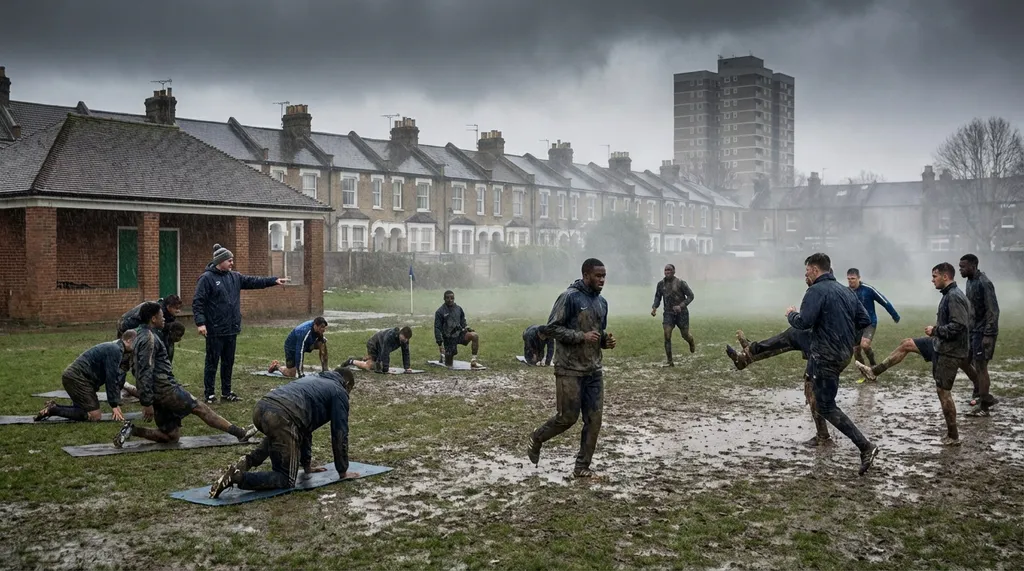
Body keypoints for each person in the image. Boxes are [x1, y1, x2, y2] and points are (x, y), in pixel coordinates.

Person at [113, 302, 257, 448]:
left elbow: (124, 364)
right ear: (153, 319)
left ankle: (133, 430)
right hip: (165, 389)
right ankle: (240, 433)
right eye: (161, 316)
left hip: (156, 392)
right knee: (200, 408)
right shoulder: (149, 338)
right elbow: (144, 372)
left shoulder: (133, 335)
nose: (164, 319)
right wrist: (147, 402)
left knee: (171, 436)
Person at [787, 253, 879, 475]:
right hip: (842, 355)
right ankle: (822, 436)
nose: (805, 275)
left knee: (826, 405)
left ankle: (866, 447)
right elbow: (864, 320)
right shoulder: (845, 291)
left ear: (816, 270)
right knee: (816, 393)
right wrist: (844, 336)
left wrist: (791, 315)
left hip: (825, 356)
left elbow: (804, 322)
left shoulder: (815, 291)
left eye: (807, 271)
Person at [527, 258, 617, 479]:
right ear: (586, 275)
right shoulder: (569, 297)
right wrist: (581, 336)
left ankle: (582, 467)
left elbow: (597, 332)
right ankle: (537, 438)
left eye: (604, 275)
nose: (602, 279)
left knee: (594, 420)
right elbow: (551, 328)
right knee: (567, 418)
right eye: (598, 275)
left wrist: (604, 341)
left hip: (593, 369)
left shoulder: (602, 302)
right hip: (569, 368)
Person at [209, 369, 359, 498]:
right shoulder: (339, 392)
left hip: (261, 407)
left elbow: (306, 428)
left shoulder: (315, 378)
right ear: (346, 385)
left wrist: (307, 465)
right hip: (281, 416)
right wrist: (342, 471)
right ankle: (237, 477)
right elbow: (340, 433)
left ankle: (248, 461)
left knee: (280, 436)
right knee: (286, 479)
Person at [193, 244, 288, 403]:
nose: (232, 263)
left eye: (232, 260)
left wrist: (273, 280)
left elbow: (253, 281)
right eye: (229, 260)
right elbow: (198, 302)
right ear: (220, 261)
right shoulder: (206, 278)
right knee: (212, 363)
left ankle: (226, 392)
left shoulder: (234, 277)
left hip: (231, 329)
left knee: (228, 362)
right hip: (215, 329)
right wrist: (201, 323)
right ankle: (209, 394)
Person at [34, 331, 137, 423]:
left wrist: (116, 400)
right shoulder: (115, 350)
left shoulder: (118, 350)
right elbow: (111, 378)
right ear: (128, 340)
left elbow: (118, 378)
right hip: (77, 379)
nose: (137, 347)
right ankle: (53, 410)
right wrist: (114, 405)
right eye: (136, 343)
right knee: (95, 416)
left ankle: (53, 408)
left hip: (79, 378)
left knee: (81, 410)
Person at [960, 254, 1000, 415]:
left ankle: (984, 406)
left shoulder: (985, 283)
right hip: (972, 330)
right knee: (963, 361)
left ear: (973, 266)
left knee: (981, 367)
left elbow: (993, 310)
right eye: (960, 267)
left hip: (983, 332)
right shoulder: (970, 281)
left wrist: (988, 334)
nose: (961, 270)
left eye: (963, 267)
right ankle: (982, 394)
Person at [846, 268, 900, 369]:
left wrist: (894, 315)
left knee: (865, 345)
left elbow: (883, 301)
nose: (850, 281)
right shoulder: (846, 292)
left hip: (869, 322)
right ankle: (864, 370)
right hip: (855, 325)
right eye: (848, 279)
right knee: (856, 352)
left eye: (853, 278)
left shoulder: (868, 289)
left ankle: (873, 364)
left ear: (858, 278)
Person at [650, 264, 695, 365]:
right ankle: (669, 361)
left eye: (669, 270)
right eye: (665, 270)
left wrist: (681, 306)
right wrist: (654, 308)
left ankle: (691, 341)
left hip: (681, 313)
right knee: (667, 335)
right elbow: (658, 297)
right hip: (668, 313)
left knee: (685, 335)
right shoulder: (661, 284)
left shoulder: (681, 283)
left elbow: (691, 296)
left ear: (674, 271)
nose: (667, 272)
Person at [118, 295, 184, 362]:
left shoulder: (168, 313)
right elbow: (152, 327)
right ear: (169, 307)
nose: (178, 311)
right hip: (128, 324)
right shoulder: (157, 310)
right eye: (176, 308)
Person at [434, 290, 482, 369]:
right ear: (444, 299)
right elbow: (437, 328)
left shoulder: (459, 309)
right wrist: (440, 343)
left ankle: (474, 360)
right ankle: (443, 356)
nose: (450, 300)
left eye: (452, 298)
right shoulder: (440, 312)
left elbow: (463, 322)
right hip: (448, 338)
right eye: (448, 298)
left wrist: (468, 329)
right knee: (449, 365)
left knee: (475, 336)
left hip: (460, 334)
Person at [345, 326, 413, 374]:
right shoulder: (390, 336)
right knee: (370, 366)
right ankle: (351, 361)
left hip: (381, 347)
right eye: (404, 338)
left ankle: (358, 359)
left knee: (376, 364)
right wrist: (386, 369)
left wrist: (407, 367)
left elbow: (406, 352)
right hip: (373, 344)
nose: (405, 341)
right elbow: (385, 352)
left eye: (406, 339)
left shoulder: (404, 340)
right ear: (400, 333)